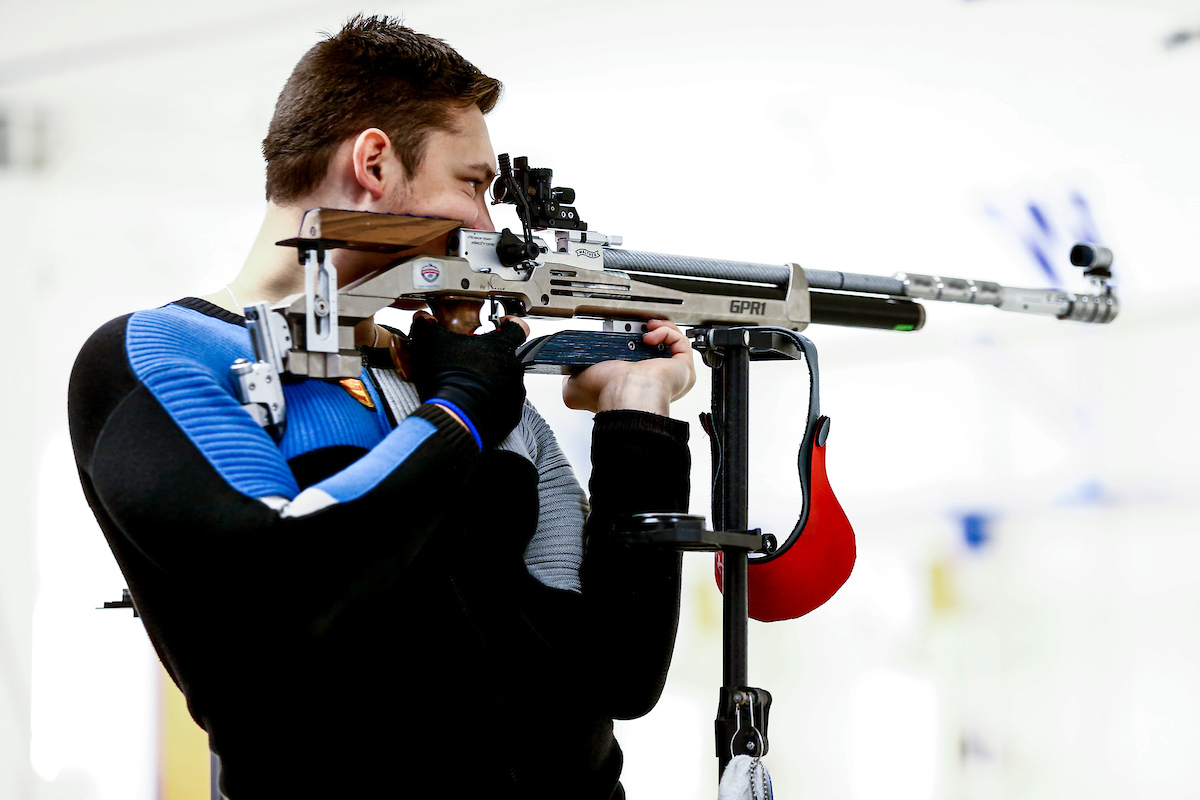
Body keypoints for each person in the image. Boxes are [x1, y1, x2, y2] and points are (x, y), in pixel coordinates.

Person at [67, 15, 696, 799]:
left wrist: (636, 415)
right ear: (373, 162)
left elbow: (620, 672)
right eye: (472, 184)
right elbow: (292, 585)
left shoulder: (450, 373)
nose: (486, 225)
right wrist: (463, 408)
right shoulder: (163, 355)